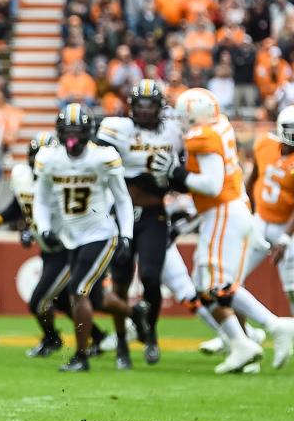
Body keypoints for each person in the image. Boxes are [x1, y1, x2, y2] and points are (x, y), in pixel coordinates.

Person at [151, 88, 294, 373]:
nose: (181, 120)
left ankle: (274, 326)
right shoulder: (219, 128)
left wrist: (176, 173)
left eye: (184, 115)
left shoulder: (205, 136)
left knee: (218, 285)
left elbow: (211, 185)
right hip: (228, 212)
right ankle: (242, 342)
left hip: (224, 213)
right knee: (203, 285)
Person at [33, 104, 150, 372]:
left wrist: (126, 235)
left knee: (77, 291)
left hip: (100, 233)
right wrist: (45, 228)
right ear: (60, 134)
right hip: (70, 236)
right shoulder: (50, 158)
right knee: (95, 299)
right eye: (68, 132)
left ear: (89, 133)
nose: (73, 139)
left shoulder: (102, 157)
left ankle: (81, 356)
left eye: (78, 132)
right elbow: (41, 198)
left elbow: (122, 199)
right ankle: (135, 313)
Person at [0, 132, 109, 357]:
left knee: (40, 301)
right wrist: (1, 218)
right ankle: (97, 337)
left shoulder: (63, 180)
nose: (39, 162)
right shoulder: (24, 176)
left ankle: (54, 340)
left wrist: (35, 231)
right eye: (35, 156)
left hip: (67, 249)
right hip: (49, 251)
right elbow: (21, 204)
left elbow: (69, 215)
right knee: (64, 302)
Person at [96, 79, 184, 368]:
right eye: (140, 105)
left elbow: (185, 177)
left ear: (160, 108)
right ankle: (122, 343)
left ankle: (151, 333)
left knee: (151, 277)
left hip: (154, 213)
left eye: (150, 106)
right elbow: (95, 162)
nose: (145, 111)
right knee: (120, 282)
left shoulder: (173, 130)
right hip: (121, 213)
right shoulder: (118, 128)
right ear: (131, 107)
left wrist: (173, 175)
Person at [244, 104, 294, 316]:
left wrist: (285, 239)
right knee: (234, 280)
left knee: (292, 289)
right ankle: (243, 337)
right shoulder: (265, 144)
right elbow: (252, 179)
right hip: (260, 220)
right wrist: (249, 214)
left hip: (287, 226)